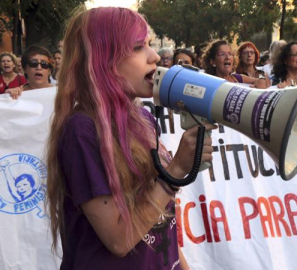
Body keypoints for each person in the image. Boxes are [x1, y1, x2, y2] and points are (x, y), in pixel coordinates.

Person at [46, 7, 216, 269]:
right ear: (104, 61)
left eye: (149, 44)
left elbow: (157, 221)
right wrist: (176, 170)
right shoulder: (83, 130)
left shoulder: (143, 119)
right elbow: (118, 240)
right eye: (138, 47)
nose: (154, 56)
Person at [202, 40, 270, 88]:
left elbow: (265, 80)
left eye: (230, 54)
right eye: (222, 54)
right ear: (212, 61)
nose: (228, 57)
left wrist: (262, 80)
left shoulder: (238, 78)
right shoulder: (208, 83)